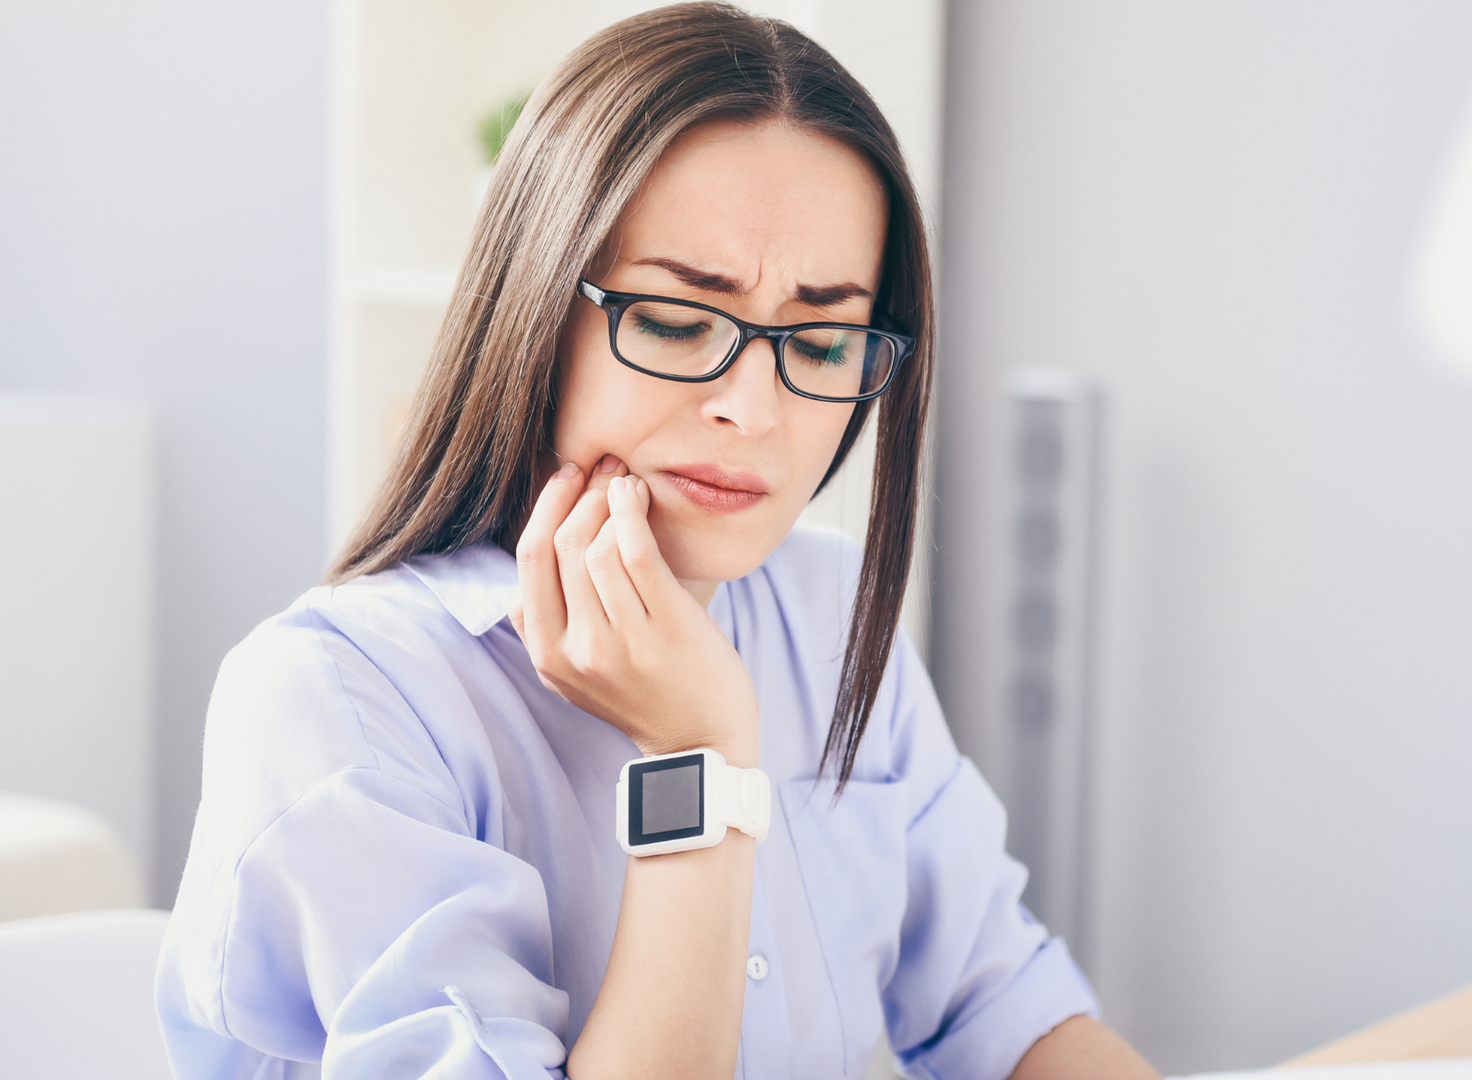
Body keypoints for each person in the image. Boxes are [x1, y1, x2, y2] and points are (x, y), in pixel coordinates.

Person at [156, 5, 1160, 1078]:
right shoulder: (338, 700)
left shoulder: (822, 606)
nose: (754, 408)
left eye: (822, 340)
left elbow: (1000, 1009)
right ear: (536, 311)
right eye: (679, 322)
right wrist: (703, 764)